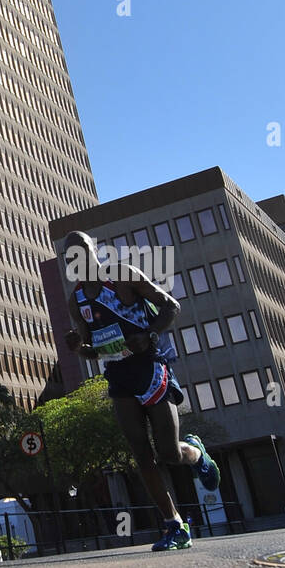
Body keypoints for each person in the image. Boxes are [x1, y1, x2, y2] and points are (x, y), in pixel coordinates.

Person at [62, 230, 220, 551]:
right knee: (140, 454)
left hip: (151, 368)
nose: (77, 258)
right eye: (70, 255)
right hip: (118, 376)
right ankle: (175, 525)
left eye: (83, 250)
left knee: (168, 453)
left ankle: (197, 454)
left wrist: (148, 334)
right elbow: (95, 350)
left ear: (96, 250)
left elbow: (171, 306)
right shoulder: (76, 300)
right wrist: (79, 348)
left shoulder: (123, 277)